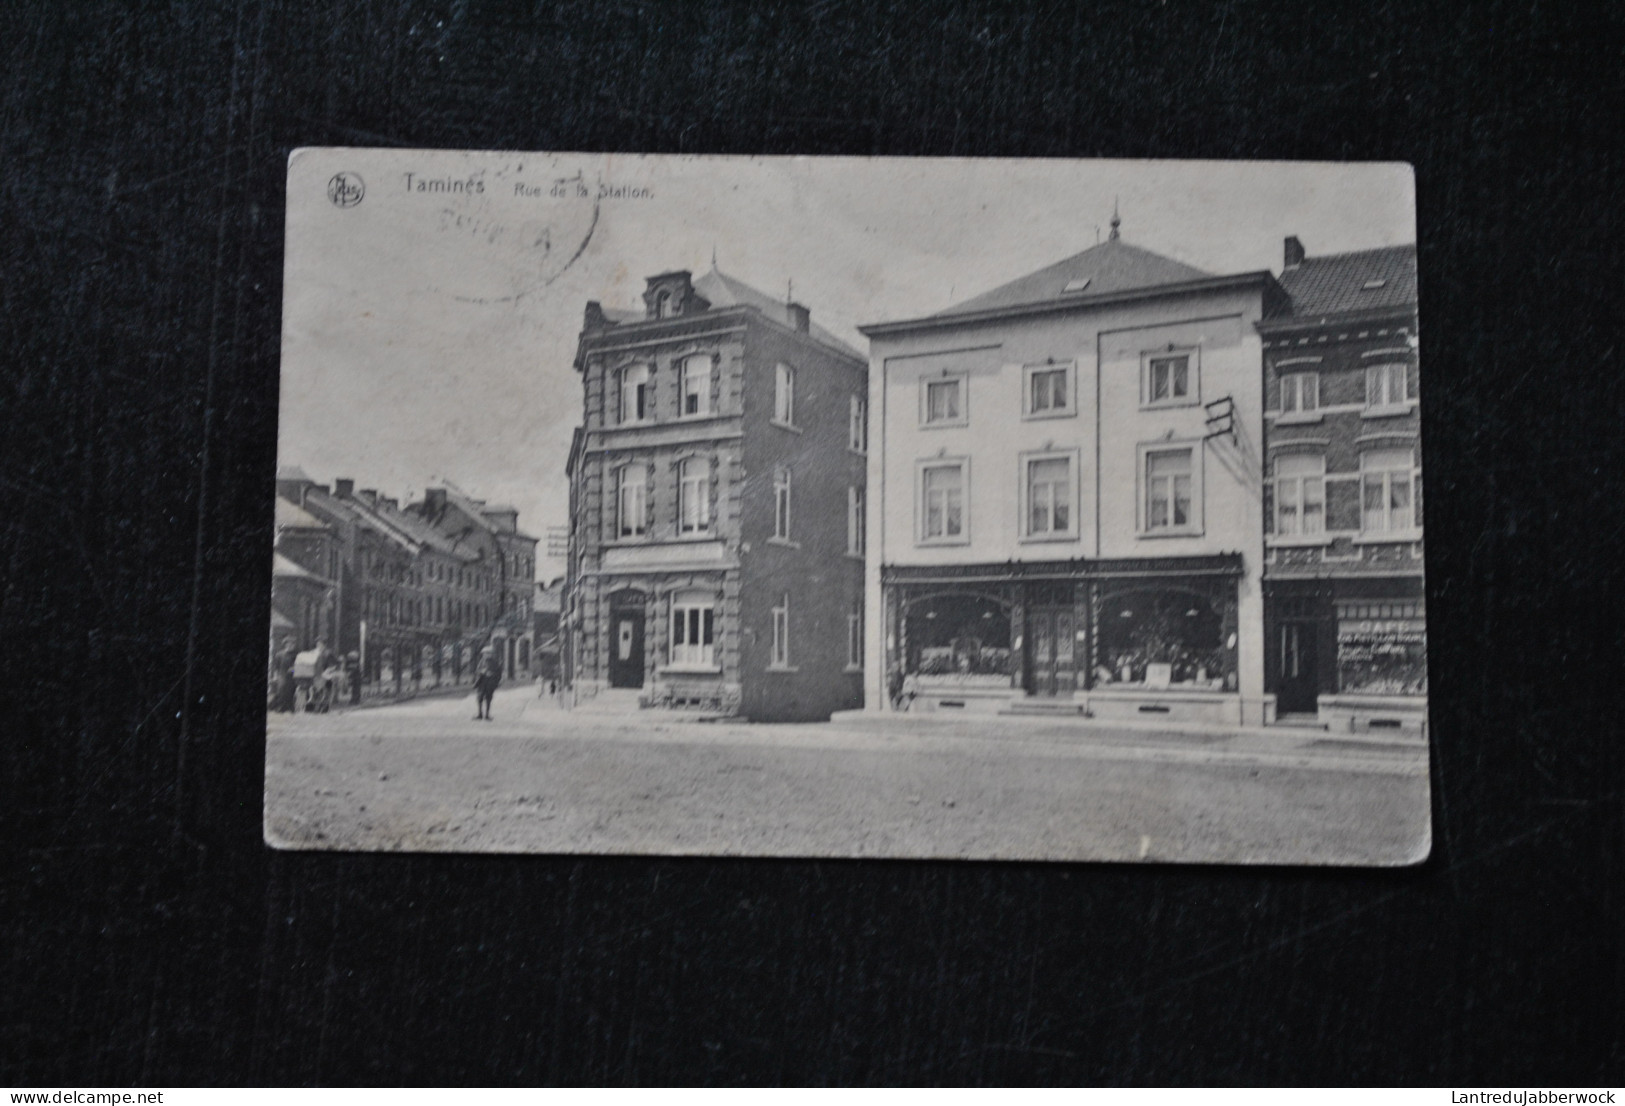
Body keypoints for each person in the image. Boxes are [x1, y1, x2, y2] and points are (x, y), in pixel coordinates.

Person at [473, 645, 501, 720]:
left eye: (488, 653)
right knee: (479, 698)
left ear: (491, 654)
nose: (485, 655)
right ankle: (480, 714)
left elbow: (498, 673)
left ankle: (487, 715)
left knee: (488, 699)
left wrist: (492, 676)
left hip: (490, 683)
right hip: (481, 682)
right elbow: (477, 671)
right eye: (484, 653)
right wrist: (482, 672)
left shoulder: (495, 663)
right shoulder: (481, 661)